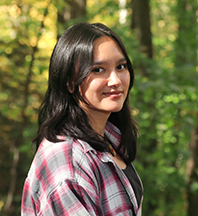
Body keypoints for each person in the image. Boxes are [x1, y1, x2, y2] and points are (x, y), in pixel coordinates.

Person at [21, 22, 143, 216]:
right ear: (69, 81)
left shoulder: (108, 139)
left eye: (121, 66)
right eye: (98, 70)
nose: (116, 80)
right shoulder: (67, 163)